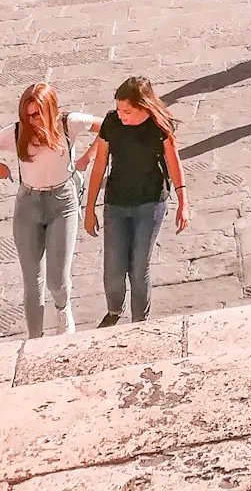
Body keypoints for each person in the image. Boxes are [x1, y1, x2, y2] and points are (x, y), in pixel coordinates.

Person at [82, 76, 189, 326]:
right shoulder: (112, 122)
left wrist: (184, 202)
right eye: (119, 109)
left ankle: (140, 320)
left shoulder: (159, 127)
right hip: (116, 202)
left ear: (143, 107)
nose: (121, 115)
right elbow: (99, 168)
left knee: (139, 266)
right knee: (114, 268)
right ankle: (114, 311)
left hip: (150, 202)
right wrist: (89, 209)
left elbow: (174, 164)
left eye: (127, 111)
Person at [1, 83, 99, 337]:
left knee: (57, 278)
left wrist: (87, 157)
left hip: (62, 203)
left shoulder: (68, 123)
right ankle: (35, 337)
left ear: (50, 110)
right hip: (28, 205)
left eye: (36, 114)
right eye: (26, 115)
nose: (31, 121)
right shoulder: (16, 132)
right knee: (32, 282)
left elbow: (109, 126)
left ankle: (63, 308)